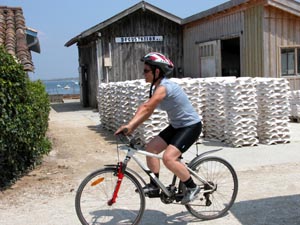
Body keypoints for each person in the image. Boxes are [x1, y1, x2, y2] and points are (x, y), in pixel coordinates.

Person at [115, 52, 202, 204]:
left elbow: (147, 107)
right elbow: (146, 109)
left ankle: (192, 187)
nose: (144, 74)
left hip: (190, 127)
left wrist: (129, 126)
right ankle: (155, 185)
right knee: (151, 148)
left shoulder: (164, 87)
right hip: (176, 126)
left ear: (157, 72)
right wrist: (131, 127)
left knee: (169, 158)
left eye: (146, 71)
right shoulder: (156, 88)